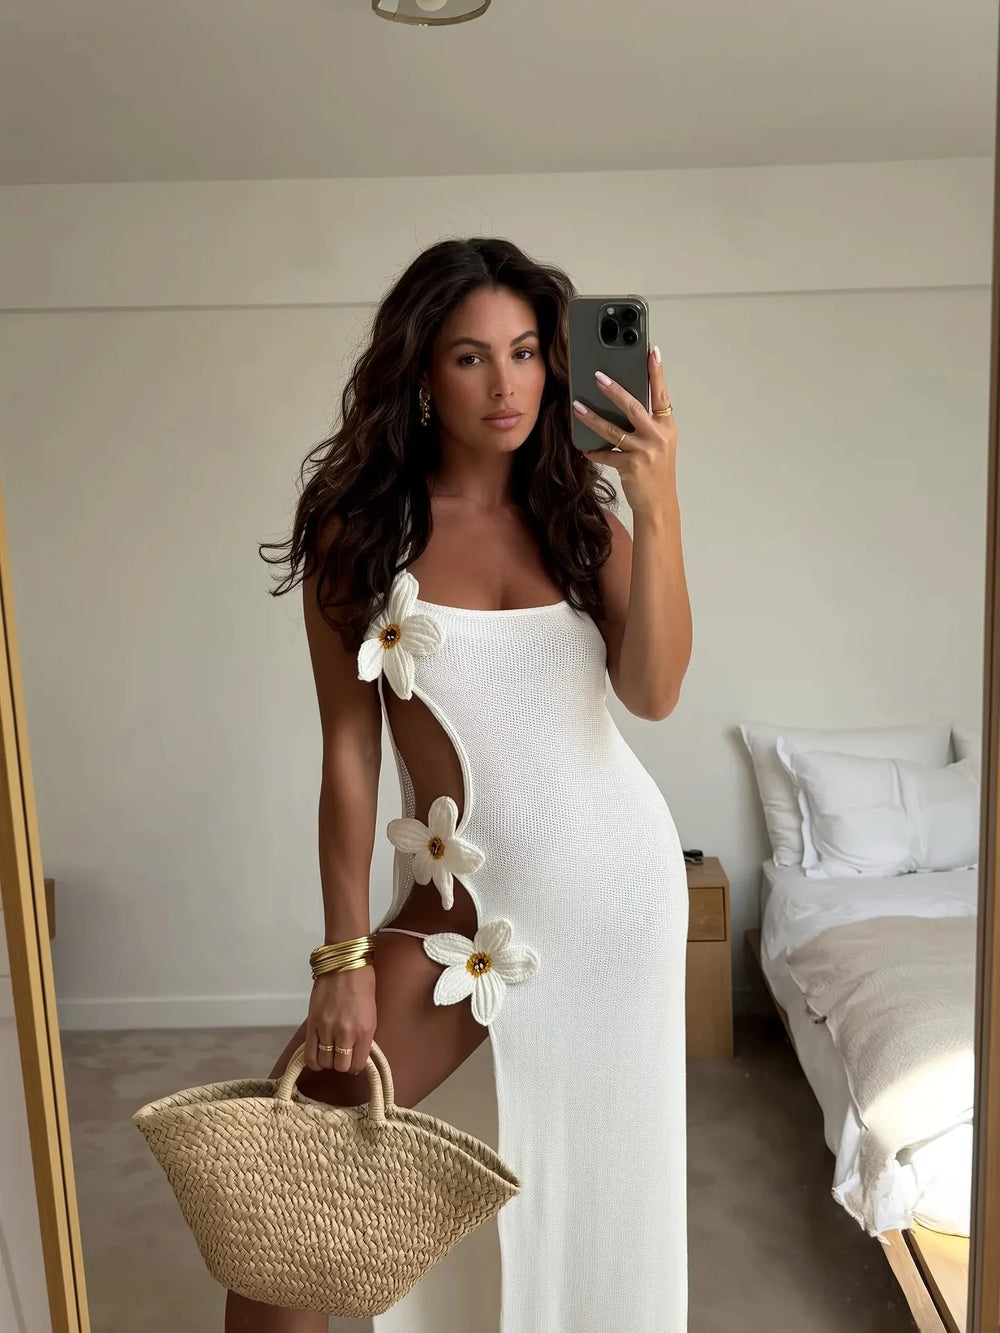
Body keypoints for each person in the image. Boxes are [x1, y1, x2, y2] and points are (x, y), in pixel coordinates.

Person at [234, 236, 692, 1332]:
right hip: (463, 912)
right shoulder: (361, 532)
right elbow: (349, 755)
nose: (505, 384)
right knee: (284, 1180)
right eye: (471, 356)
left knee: (593, 1198)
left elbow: (655, 692)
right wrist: (344, 957)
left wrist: (658, 503)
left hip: (618, 901)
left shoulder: (582, 525)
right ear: (423, 374)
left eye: (526, 352)